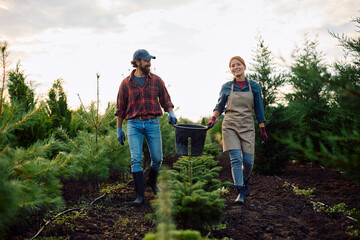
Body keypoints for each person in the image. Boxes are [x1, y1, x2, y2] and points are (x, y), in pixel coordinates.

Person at [115, 49, 177, 206]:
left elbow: (166, 99)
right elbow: (120, 108)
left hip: (152, 123)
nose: (149, 63)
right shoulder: (126, 84)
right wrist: (119, 128)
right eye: (146, 60)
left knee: (157, 158)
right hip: (134, 124)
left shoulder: (156, 80)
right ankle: (140, 196)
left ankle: (152, 181)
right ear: (137, 62)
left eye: (150, 60)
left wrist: (170, 112)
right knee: (136, 159)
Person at [207, 56, 268, 204]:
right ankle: (239, 191)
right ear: (231, 70)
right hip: (230, 125)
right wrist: (213, 119)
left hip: (247, 125)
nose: (236, 67)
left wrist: (262, 128)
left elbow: (259, 108)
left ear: (244, 66)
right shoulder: (227, 87)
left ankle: (245, 180)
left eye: (238, 64)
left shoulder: (254, 87)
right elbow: (220, 106)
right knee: (236, 159)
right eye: (232, 66)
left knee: (248, 161)